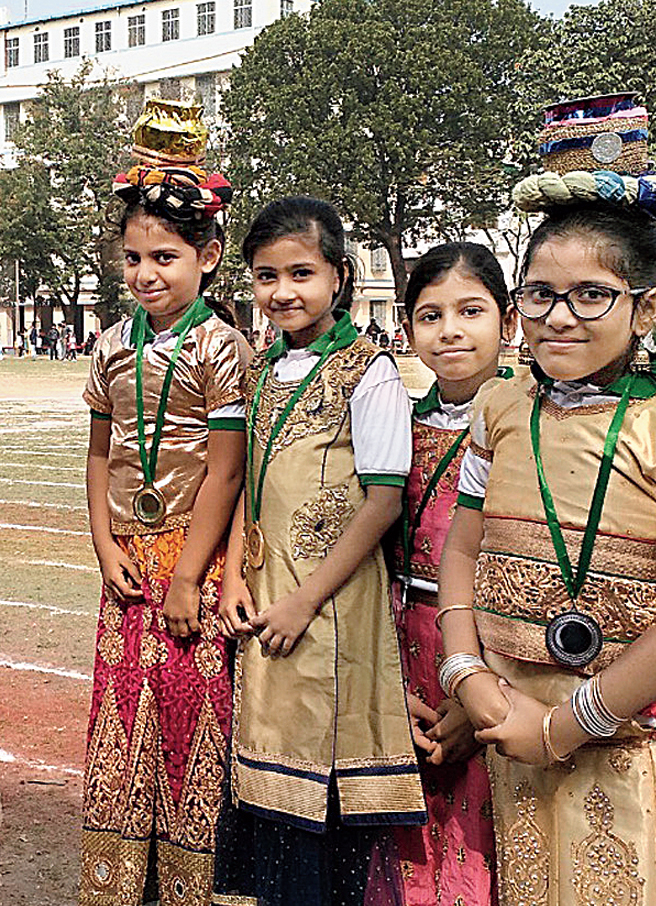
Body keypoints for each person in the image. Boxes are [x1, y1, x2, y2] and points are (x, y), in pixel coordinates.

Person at [436, 95, 656, 905]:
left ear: (645, 308)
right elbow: (463, 551)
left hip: (625, 746)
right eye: (540, 294)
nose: (558, 318)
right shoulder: (501, 407)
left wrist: (563, 726)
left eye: (589, 296)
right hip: (513, 727)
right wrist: (469, 674)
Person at [213, 196, 425, 906]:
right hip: (269, 592)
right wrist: (239, 572)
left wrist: (306, 600)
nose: (283, 292)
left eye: (300, 273)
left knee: (321, 776)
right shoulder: (265, 365)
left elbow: (383, 501)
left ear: (339, 275)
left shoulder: (370, 372)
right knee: (269, 760)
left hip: (329, 605)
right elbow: (251, 476)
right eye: (265, 276)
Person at [79, 99, 249, 906]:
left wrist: (189, 577)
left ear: (209, 257)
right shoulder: (111, 344)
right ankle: (122, 880)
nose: (147, 273)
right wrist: (105, 545)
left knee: (191, 716)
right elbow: (98, 451)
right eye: (134, 257)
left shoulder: (222, 345)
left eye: (167, 257)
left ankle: (189, 882)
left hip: (197, 559)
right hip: (126, 561)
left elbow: (225, 472)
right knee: (120, 713)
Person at [381, 242, 517, 906]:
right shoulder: (397, 426)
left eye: (471, 310)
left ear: (508, 322)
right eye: (430, 316)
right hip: (401, 653)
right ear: (409, 333)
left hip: (497, 660)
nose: (451, 331)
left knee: (484, 834)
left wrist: (476, 693)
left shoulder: (533, 429)